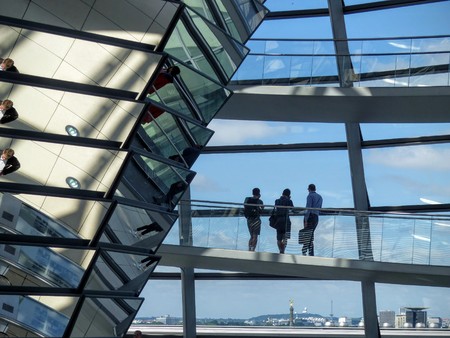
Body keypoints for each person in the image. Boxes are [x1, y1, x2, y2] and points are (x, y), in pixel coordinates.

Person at [302, 183, 323, 256]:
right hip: (316, 217)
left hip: (310, 217)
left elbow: (308, 208)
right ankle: (310, 252)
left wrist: (306, 219)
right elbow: (320, 208)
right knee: (310, 234)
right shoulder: (320, 197)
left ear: (309, 189)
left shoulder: (310, 196)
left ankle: (305, 251)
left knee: (307, 234)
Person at [273, 188, 293, 254]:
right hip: (286, 220)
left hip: (278, 221)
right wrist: (289, 199)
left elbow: (276, 209)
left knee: (279, 239)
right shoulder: (289, 201)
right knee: (285, 238)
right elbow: (292, 209)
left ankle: (280, 250)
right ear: (289, 195)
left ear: (282, 193)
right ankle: (283, 251)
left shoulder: (277, 201)